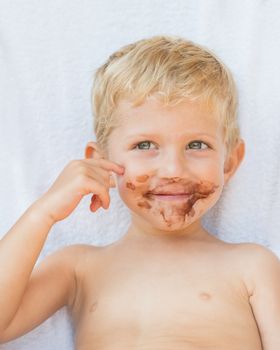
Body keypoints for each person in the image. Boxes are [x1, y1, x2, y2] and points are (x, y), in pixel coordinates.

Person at [0, 35, 279, 350]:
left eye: (197, 145)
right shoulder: (79, 268)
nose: (173, 169)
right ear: (100, 161)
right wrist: (43, 213)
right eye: (144, 145)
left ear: (229, 162)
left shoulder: (252, 266)